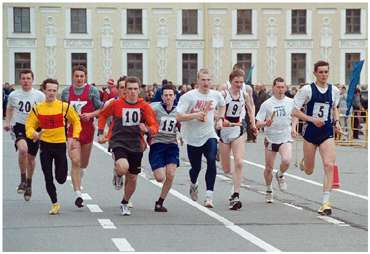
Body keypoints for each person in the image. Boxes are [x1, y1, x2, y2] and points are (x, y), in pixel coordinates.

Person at [98, 76, 159, 216]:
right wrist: (101, 132)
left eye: (135, 89)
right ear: (124, 90)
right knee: (123, 166)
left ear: (139, 90)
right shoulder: (116, 104)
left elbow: (154, 125)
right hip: (119, 141)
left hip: (136, 144)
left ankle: (125, 202)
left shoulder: (144, 107)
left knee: (132, 177)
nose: (132, 92)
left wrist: (148, 130)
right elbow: (102, 115)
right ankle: (118, 173)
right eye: (129, 89)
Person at [26, 78, 81, 215]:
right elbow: (29, 126)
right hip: (45, 146)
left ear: (57, 91)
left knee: (61, 179)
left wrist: (75, 136)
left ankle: (60, 178)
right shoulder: (37, 108)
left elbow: (76, 121)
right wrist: (34, 134)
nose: (51, 93)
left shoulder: (64, 106)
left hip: (60, 145)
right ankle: (55, 203)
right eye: (49, 90)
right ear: (44, 90)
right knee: (48, 177)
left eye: (54, 91)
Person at [293, 60, 341, 216]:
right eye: (321, 72)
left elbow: (334, 108)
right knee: (309, 170)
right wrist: (312, 119)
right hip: (311, 132)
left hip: (326, 131)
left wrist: (337, 122)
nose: (324, 75)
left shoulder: (334, 90)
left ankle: (326, 202)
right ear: (315, 73)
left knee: (329, 164)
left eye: (326, 72)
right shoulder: (307, 90)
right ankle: (304, 161)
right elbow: (295, 111)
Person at [176, 68, 226, 208]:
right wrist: (195, 115)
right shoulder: (189, 96)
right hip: (192, 137)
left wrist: (220, 119)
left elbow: (222, 106)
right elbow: (179, 116)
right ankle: (193, 183)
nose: (206, 82)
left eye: (208, 80)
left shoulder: (216, 95)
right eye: (203, 80)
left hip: (209, 134)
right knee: (196, 168)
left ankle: (209, 196)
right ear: (197, 80)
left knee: (211, 160)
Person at [61, 65, 104, 208]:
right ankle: (78, 194)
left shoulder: (92, 91)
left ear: (85, 77)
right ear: (73, 77)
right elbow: (62, 110)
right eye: (76, 76)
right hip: (72, 131)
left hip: (87, 130)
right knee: (75, 160)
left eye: (81, 76)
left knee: (83, 163)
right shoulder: (66, 92)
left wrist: (90, 115)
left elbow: (101, 108)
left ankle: (80, 173)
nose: (79, 78)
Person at [218, 69, 257, 210]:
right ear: (231, 82)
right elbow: (215, 110)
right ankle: (220, 153)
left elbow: (251, 107)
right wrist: (220, 120)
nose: (239, 85)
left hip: (238, 130)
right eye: (236, 82)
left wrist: (253, 123)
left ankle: (235, 194)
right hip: (224, 131)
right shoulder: (223, 94)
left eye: (241, 82)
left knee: (239, 162)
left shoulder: (244, 94)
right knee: (226, 169)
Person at [4, 69, 45, 201]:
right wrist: (7, 122)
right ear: (20, 80)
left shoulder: (39, 95)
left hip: (34, 128)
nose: (26, 81)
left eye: (28, 78)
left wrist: (44, 129)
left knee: (32, 159)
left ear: (32, 80)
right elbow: (9, 108)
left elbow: (44, 112)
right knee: (23, 150)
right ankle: (22, 179)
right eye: (23, 78)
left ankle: (29, 183)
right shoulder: (14, 95)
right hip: (20, 126)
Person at [256, 77, 297, 203]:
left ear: (285, 88)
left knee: (286, 160)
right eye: (278, 87)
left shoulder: (291, 102)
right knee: (268, 168)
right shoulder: (267, 104)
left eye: (282, 87)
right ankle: (269, 189)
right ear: (273, 88)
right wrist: (265, 124)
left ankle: (280, 174)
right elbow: (257, 123)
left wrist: (294, 128)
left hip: (285, 135)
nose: (280, 90)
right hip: (271, 138)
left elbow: (295, 116)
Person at [149, 84, 180, 212]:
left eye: (170, 95)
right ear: (161, 97)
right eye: (166, 95)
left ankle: (160, 202)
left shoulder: (179, 110)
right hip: (157, 143)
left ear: (174, 96)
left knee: (171, 174)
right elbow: (143, 114)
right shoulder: (154, 108)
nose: (168, 98)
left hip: (172, 144)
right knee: (160, 177)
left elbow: (185, 121)